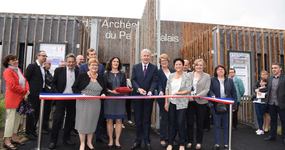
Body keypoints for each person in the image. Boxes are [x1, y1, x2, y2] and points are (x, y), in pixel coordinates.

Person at [72, 58, 107, 150]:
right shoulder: (82, 76)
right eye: (92, 65)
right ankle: (82, 144)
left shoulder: (101, 77)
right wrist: (80, 94)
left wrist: (103, 93)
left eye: (96, 65)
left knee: (92, 122)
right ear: (88, 66)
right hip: (83, 102)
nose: (94, 67)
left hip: (96, 103)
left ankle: (89, 142)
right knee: (82, 123)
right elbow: (74, 88)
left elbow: (104, 89)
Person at [48, 53, 79, 149]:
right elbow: (52, 84)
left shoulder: (77, 72)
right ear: (66, 62)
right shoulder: (59, 70)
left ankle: (66, 139)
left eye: (72, 62)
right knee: (57, 120)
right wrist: (58, 94)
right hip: (61, 98)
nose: (71, 63)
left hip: (73, 99)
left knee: (70, 119)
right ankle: (53, 141)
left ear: (75, 62)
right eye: (69, 62)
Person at [131, 49, 158, 150]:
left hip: (148, 98)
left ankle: (147, 142)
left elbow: (155, 81)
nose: (146, 57)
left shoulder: (154, 68)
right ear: (141, 56)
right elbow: (133, 79)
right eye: (144, 55)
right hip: (137, 97)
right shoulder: (135, 67)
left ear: (150, 57)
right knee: (138, 121)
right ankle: (137, 141)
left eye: (148, 55)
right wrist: (138, 89)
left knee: (146, 120)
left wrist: (151, 91)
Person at [79, 48, 107, 143]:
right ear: (87, 56)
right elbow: (81, 81)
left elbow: (103, 81)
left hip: (97, 97)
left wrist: (103, 92)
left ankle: (99, 136)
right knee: (86, 119)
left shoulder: (101, 66)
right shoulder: (83, 66)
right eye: (91, 54)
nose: (93, 56)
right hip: (86, 97)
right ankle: (86, 139)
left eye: (94, 54)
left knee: (98, 117)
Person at [3, 54, 30, 150]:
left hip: (20, 99)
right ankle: (6, 141)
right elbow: (12, 86)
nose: (16, 61)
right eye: (13, 60)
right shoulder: (8, 71)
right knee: (10, 120)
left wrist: (27, 89)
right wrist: (24, 91)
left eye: (16, 59)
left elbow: (25, 81)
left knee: (17, 120)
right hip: (12, 99)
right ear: (8, 62)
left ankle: (14, 137)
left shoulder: (18, 70)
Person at [164, 58, 191, 150]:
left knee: (180, 123)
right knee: (171, 123)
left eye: (180, 64)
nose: (178, 66)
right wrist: (166, 102)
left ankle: (182, 144)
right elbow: (167, 88)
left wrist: (178, 93)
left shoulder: (187, 76)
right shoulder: (171, 76)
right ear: (174, 66)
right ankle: (170, 143)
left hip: (182, 103)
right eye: (176, 64)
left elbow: (187, 90)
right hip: (171, 102)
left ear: (183, 66)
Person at [209, 64, 237, 150]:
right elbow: (209, 90)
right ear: (216, 71)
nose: (220, 71)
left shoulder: (229, 81)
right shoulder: (212, 80)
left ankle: (226, 144)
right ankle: (217, 143)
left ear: (225, 71)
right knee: (216, 125)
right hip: (216, 106)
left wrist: (234, 106)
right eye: (218, 69)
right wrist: (212, 95)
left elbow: (234, 93)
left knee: (226, 125)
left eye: (222, 69)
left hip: (227, 106)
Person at [186, 59, 211, 149]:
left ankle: (199, 142)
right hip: (190, 101)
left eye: (200, 65)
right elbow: (186, 86)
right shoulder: (188, 75)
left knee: (200, 123)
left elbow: (206, 89)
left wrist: (198, 95)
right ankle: (190, 141)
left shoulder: (207, 76)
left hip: (201, 102)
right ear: (194, 66)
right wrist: (189, 95)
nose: (199, 67)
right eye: (197, 65)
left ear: (203, 66)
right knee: (190, 123)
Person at [103, 57, 126, 149]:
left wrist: (121, 91)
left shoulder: (123, 74)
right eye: (114, 61)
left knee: (119, 120)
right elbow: (104, 87)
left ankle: (117, 140)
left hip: (120, 99)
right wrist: (112, 92)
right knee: (109, 120)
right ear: (111, 63)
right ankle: (110, 140)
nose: (116, 63)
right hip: (109, 99)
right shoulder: (106, 74)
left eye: (117, 62)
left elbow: (124, 87)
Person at [24, 50, 47, 140]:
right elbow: (26, 79)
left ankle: (33, 131)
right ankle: (28, 132)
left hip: (40, 93)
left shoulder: (43, 67)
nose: (44, 57)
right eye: (43, 56)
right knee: (31, 113)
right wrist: (27, 91)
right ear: (38, 56)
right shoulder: (32, 66)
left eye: (45, 56)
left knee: (37, 113)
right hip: (33, 94)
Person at [157, 54, 175, 147]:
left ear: (168, 62)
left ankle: (171, 138)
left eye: (165, 61)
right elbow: (159, 83)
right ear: (160, 62)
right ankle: (163, 138)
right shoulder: (158, 72)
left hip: (173, 98)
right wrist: (160, 91)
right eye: (162, 61)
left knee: (172, 119)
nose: (164, 62)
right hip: (162, 98)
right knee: (164, 118)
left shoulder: (173, 71)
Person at [264, 63, 285, 144]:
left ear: (280, 69)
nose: (273, 69)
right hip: (271, 103)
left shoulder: (284, 79)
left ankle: (284, 136)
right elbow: (267, 90)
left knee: (283, 120)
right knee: (273, 120)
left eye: (275, 68)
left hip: (281, 104)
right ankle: (272, 136)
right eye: (272, 68)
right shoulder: (269, 79)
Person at [42, 59, 53, 134]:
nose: (50, 65)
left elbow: (51, 81)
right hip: (44, 93)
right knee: (44, 111)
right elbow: (47, 81)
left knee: (48, 111)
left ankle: (46, 126)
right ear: (44, 64)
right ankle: (42, 127)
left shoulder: (48, 72)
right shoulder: (43, 72)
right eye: (49, 64)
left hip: (49, 93)